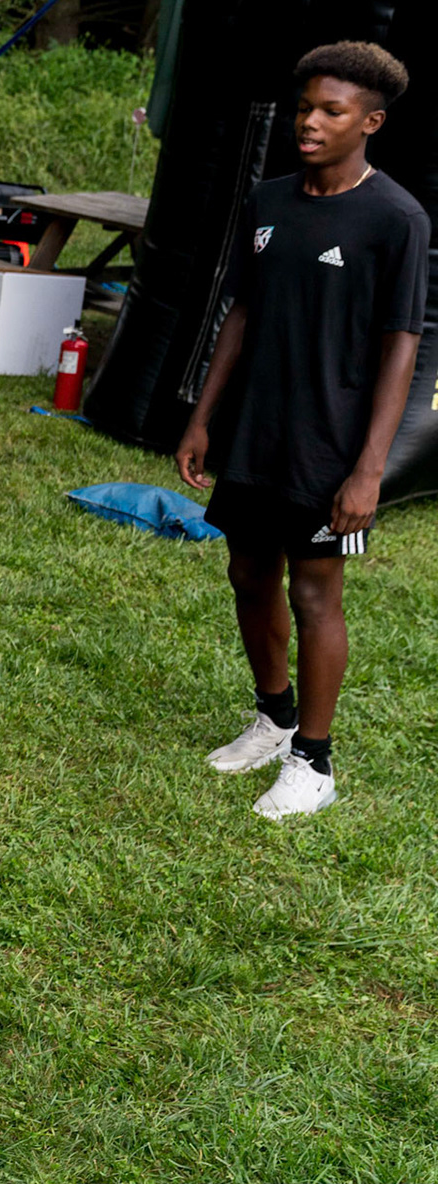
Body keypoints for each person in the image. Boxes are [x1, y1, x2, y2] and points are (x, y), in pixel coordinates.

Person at [177, 41, 429, 819]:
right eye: (304, 108)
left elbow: (401, 346)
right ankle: (273, 717)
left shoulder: (397, 217)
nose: (309, 122)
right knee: (249, 574)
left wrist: (369, 469)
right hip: (257, 430)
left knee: (315, 593)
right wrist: (201, 418)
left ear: (371, 122)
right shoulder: (268, 200)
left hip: (331, 446)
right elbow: (241, 314)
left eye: (331, 111)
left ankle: (313, 763)